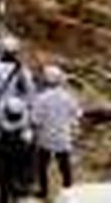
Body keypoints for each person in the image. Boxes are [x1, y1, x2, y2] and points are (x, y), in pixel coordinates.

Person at [33, 66, 81, 197]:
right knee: (65, 168)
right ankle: (69, 193)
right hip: (63, 138)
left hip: (45, 139)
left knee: (42, 167)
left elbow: (36, 120)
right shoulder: (67, 97)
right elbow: (77, 113)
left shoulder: (41, 98)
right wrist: (70, 123)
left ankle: (43, 191)